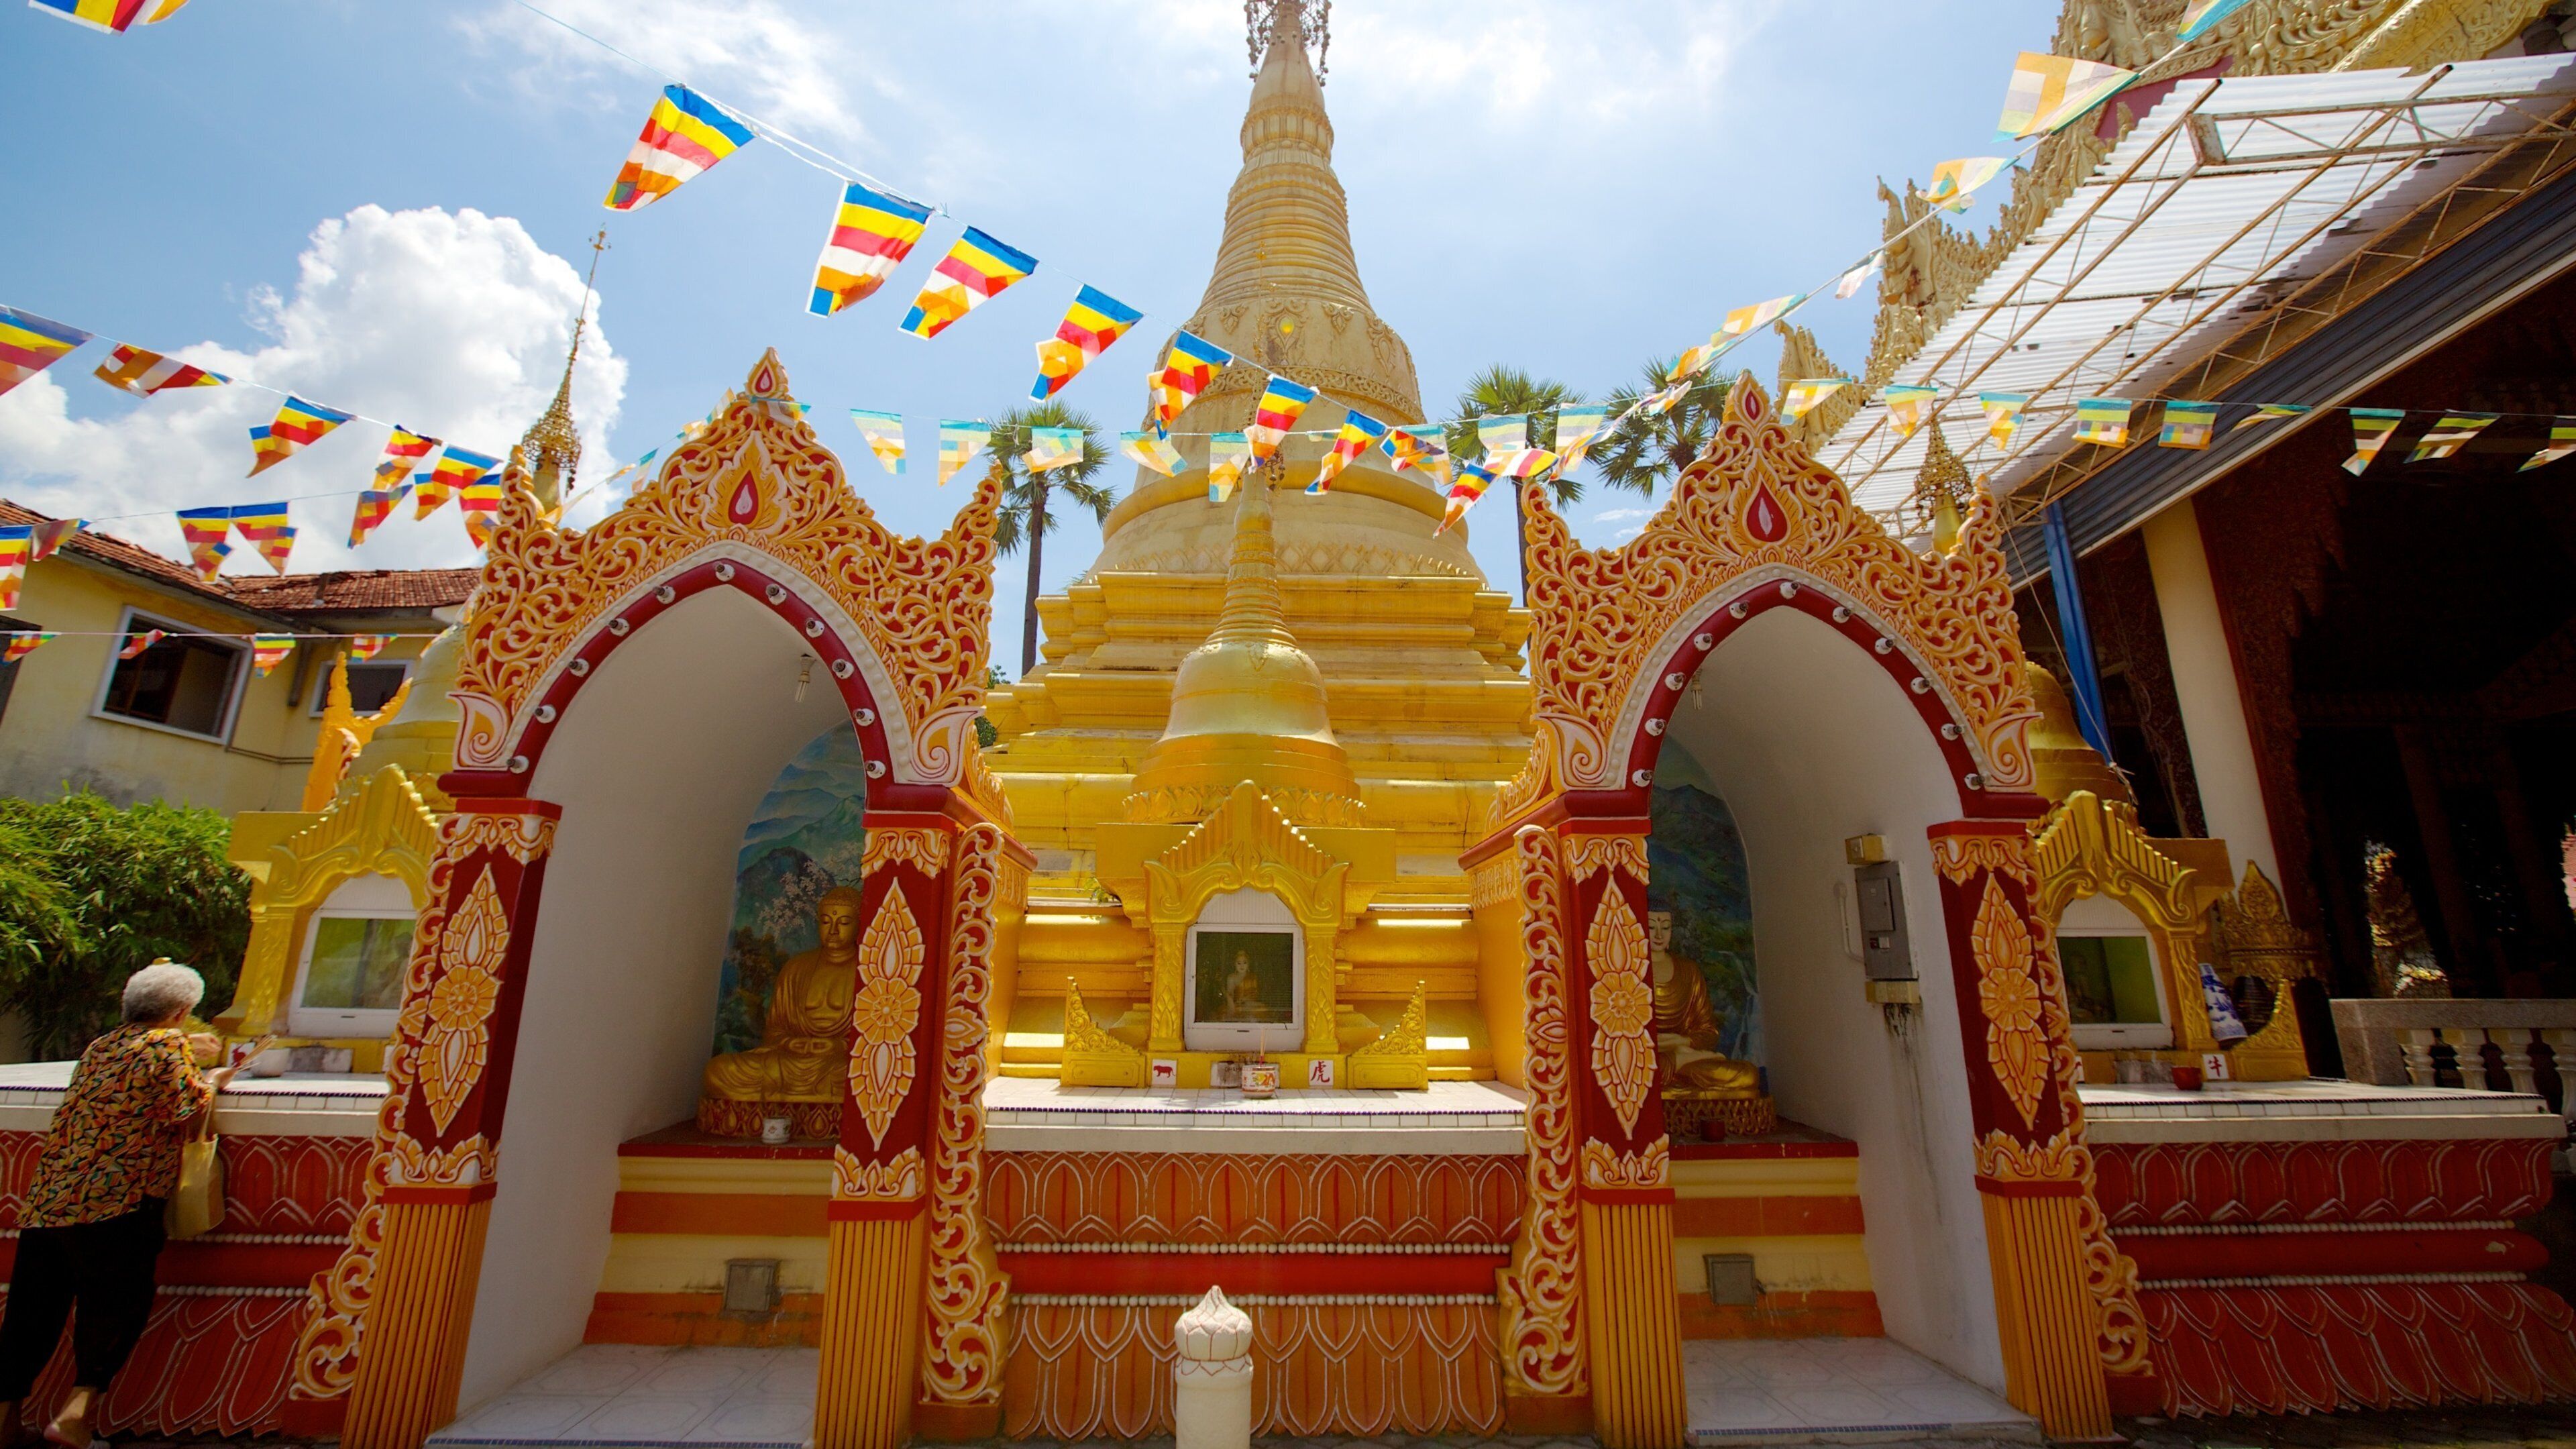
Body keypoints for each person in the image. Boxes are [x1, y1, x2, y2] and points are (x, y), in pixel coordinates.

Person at [0, 961, 264, 1447]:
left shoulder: (100, 1046)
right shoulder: (167, 1044)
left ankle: (6, 1415)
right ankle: (76, 1416)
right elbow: (185, 1111)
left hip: (52, 1196)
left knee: (32, 1310)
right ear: (182, 1012)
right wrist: (215, 1078)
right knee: (115, 1305)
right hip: (117, 1200)